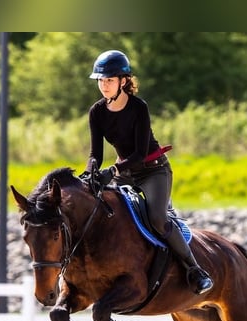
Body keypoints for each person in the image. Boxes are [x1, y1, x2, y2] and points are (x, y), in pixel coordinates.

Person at [84, 49, 213, 295]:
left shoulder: (138, 108)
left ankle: (195, 270)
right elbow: (95, 155)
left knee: (157, 218)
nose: (104, 85)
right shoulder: (96, 112)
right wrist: (91, 172)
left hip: (153, 171)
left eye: (109, 80)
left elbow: (140, 154)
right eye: (100, 80)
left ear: (124, 81)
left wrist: (112, 171)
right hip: (125, 172)